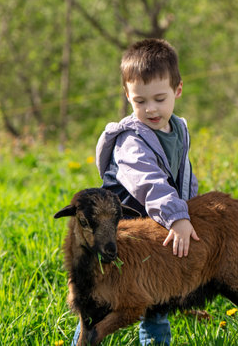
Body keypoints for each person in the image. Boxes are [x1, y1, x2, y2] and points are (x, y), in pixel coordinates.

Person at [71, 38, 199, 346]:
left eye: (159, 98)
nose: (151, 109)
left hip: (151, 233)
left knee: (155, 295)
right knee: (100, 302)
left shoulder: (179, 129)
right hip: (118, 234)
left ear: (177, 90)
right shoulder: (131, 141)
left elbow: (184, 175)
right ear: (127, 95)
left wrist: (190, 208)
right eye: (140, 101)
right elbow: (149, 182)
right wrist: (177, 217)